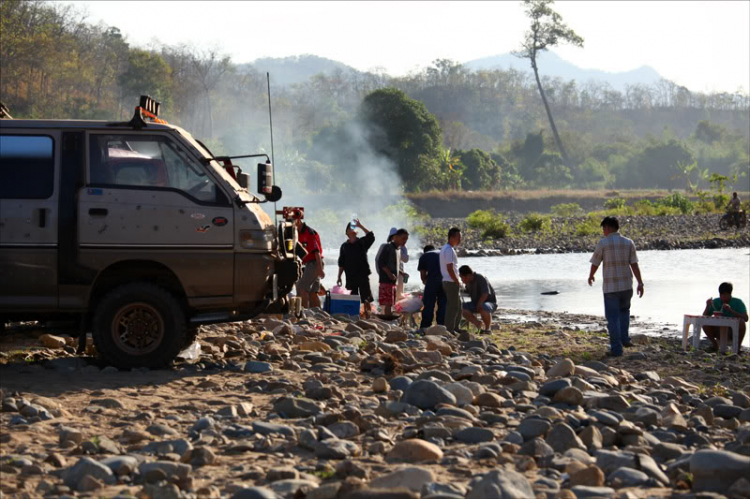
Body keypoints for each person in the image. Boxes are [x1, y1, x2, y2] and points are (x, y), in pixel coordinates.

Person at [588, 216, 644, 357]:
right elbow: (634, 264)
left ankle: (616, 349)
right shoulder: (628, 242)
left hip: (610, 288)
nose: (603, 231)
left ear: (608, 227)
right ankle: (625, 339)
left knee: (612, 317)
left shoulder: (603, 243)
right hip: (626, 286)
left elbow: (595, 262)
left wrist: (591, 275)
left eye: (603, 228)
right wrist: (640, 282)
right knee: (624, 313)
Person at [337, 219, 375, 317]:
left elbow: (371, 236)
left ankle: (368, 317)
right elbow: (341, 263)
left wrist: (360, 225)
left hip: (362, 274)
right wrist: (339, 277)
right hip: (350, 276)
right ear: (347, 232)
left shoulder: (362, 242)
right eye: (350, 228)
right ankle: (354, 316)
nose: (353, 229)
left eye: (354, 227)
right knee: (352, 298)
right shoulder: (344, 246)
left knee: (366, 298)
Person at [701, 282, 748, 352]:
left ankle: (737, 348)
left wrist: (730, 310)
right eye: (721, 295)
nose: (722, 297)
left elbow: (746, 318)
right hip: (718, 330)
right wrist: (707, 306)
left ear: (730, 294)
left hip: (732, 331)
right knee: (704, 322)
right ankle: (715, 345)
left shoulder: (738, 302)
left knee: (741, 322)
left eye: (725, 295)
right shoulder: (716, 302)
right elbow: (704, 317)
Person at [377, 228, 409, 316]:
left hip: (393, 280)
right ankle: (388, 318)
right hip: (386, 279)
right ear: (395, 237)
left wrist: (401, 273)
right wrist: (389, 274)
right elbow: (381, 262)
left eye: (406, 239)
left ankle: (388, 316)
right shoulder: (388, 247)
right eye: (403, 238)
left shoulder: (398, 249)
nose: (405, 241)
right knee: (388, 303)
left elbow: (393, 265)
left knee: (391, 302)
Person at [295, 217, 325, 309]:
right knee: (313, 292)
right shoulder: (296, 233)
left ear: (298, 220)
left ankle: (303, 311)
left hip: (315, 263)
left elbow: (317, 252)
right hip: (309, 264)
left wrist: (319, 269)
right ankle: (318, 312)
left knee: (301, 287)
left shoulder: (309, 232)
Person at [459, 265, 497, 334]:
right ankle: (478, 324)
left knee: (483, 306)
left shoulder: (480, 278)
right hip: (475, 303)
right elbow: (466, 292)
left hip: (489, 303)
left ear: (468, 276)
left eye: (462, 278)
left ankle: (487, 329)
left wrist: (479, 303)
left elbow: (485, 293)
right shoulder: (468, 282)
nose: (462, 280)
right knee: (460, 307)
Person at [418, 245, 446, 330]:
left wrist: (426, 282)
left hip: (432, 280)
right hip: (445, 280)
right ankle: (441, 325)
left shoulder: (424, 256)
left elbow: (423, 275)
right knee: (443, 304)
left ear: (424, 251)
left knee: (429, 304)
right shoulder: (442, 253)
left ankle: (425, 326)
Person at [440, 227, 462, 333]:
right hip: (450, 281)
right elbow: (450, 268)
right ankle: (449, 329)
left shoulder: (446, 248)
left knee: (458, 305)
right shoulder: (449, 250)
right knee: (452, 307)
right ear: (452, 237)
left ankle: (455, 327)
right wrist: (456, 280)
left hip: (448, 280)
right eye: (458, 237)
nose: (460, 240)